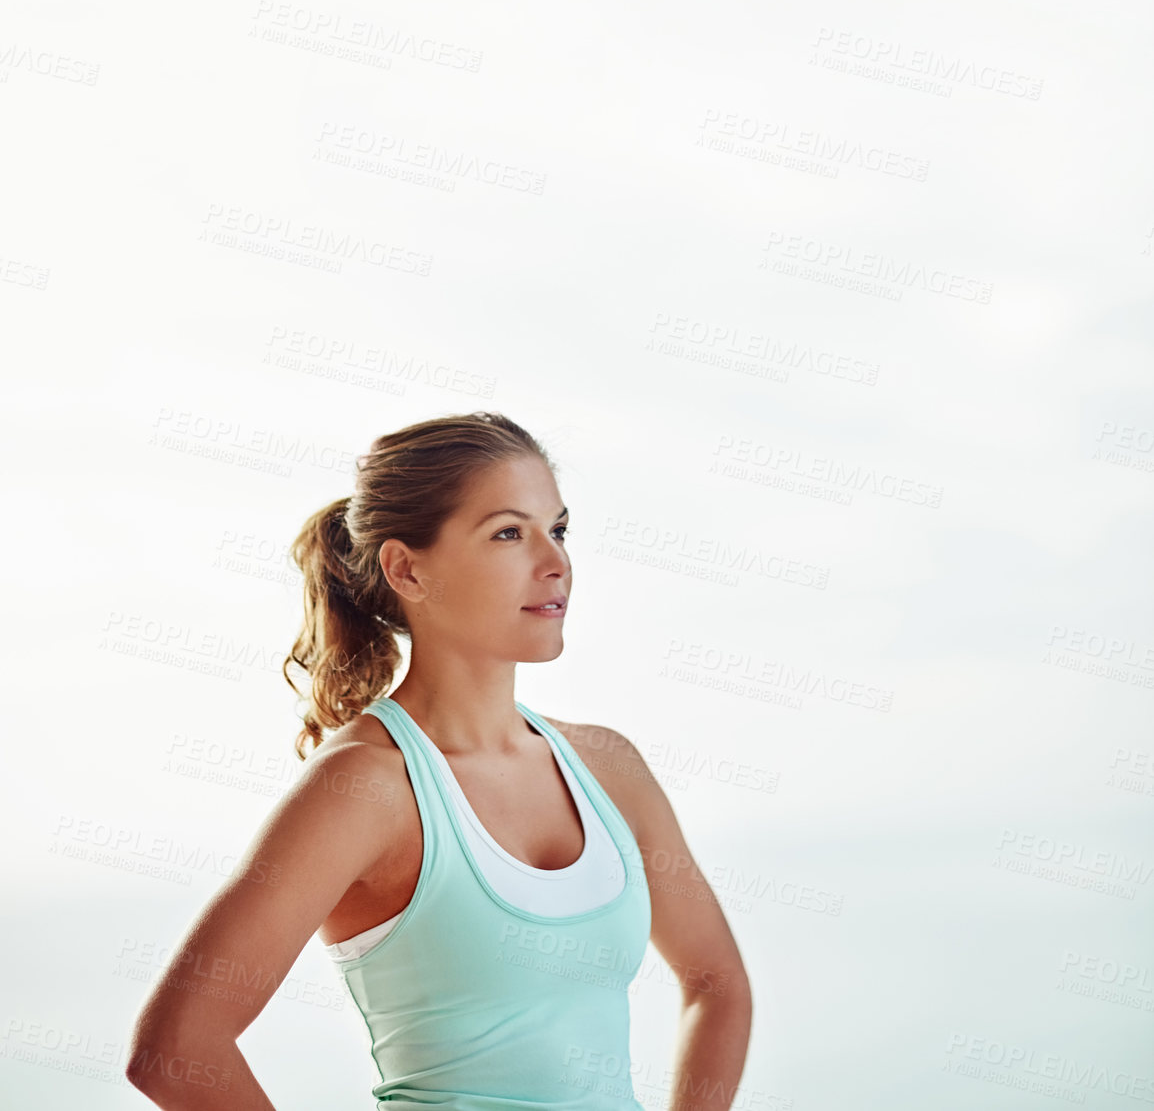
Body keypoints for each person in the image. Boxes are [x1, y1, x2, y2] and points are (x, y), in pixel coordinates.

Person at [126, 411, 753, 1110]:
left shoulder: (609, 767)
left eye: (559, 529)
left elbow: (716, 982)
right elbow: (176, 1048)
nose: (555, 562)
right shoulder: (364, 785)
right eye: (509, 533)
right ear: (406, 569)